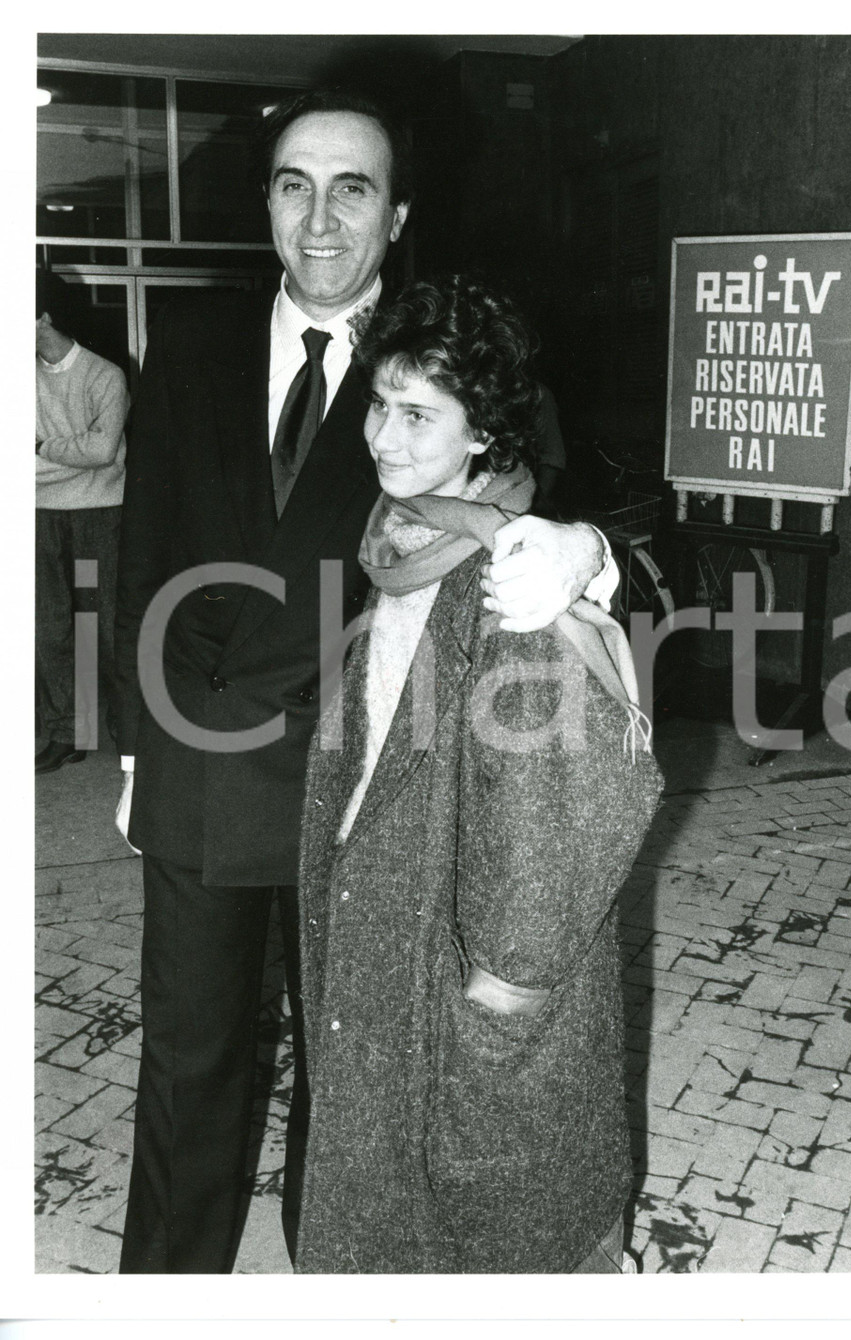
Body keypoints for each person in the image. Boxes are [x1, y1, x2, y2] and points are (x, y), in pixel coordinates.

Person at [114, 87, 615, 1274]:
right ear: (269, 204)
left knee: (353, 1071)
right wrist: (137, 748)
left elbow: (536, 517)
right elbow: (144, 550)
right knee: (188, 1058)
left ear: (396, 215)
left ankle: (329, 1271)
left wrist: (589, 551)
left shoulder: (440, 361)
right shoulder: (186, 341)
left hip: (361, 784)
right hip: (200, 758)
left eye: (353, 188)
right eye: (295, 184)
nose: (320, 217)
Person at [294, 274, 663, 1273]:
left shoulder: (513, 580)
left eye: (419, 413)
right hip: (386, 948)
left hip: (462, 989)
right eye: (380, 402)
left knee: (492, 1231)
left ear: (481, 434)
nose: (384, 433)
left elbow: (577, 818)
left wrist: (499, 997)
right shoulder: (401, 541)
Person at [36, 270, 128, 774]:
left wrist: (38, 451)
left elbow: (101, 451)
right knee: (47, 628)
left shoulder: (104, 377)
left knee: (106, 626)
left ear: (43, 317)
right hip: (38, 517)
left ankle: (126, 727)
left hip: (98, 517)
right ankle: (67, 733)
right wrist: (64, 457)